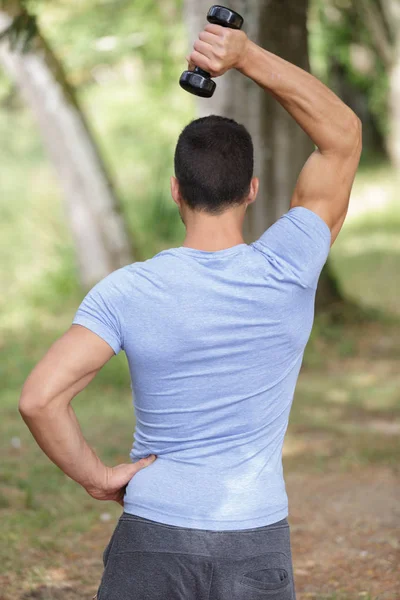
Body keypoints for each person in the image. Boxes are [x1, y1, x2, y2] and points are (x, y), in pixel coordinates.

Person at [18, 18, 362, 600]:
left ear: (176, 190)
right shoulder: (290, 265)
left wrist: (98, 479)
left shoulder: (126, 291)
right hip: (254, 540)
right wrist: (246, 55)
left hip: (152, 536)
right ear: (252, 189)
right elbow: (343, 134)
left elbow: (39, 399)